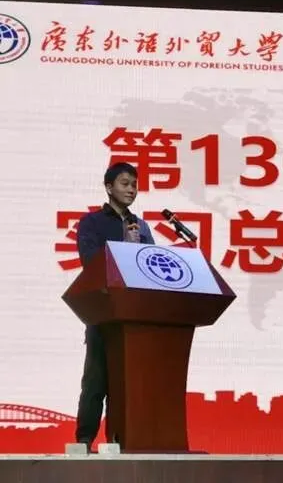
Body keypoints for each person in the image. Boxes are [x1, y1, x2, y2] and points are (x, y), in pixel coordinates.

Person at [74, 162, 155, 450]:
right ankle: (84, 441)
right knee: (96, 381)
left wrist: (139, 249)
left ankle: (119, 440)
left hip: (133, 317)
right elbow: (91, 263)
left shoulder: (141, 227)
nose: (131, 189)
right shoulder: (92, 223)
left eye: (134, 184)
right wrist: (125, 246)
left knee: (125, 386)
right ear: (109, 187)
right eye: (125, 183)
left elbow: (151, 268)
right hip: (103, 312)